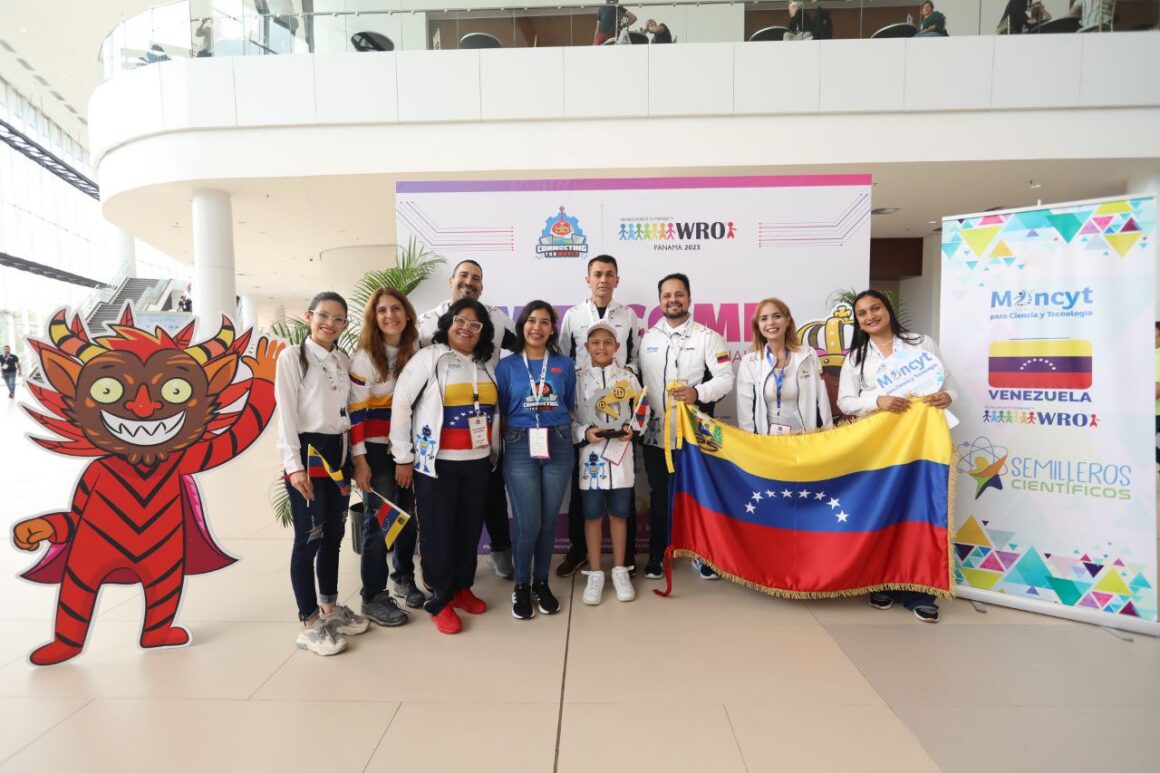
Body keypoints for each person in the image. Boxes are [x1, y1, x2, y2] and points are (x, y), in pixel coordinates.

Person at [837, 289, 956, 624]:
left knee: (919, 511)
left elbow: (950, 385)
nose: (870, 316)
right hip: (879, 444)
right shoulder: (857, 357)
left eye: (875, 308)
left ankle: (920, 591)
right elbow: (846, 401)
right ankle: (882, 581)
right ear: (857, 321)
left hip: (921, 443)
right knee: (882, 510)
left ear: (887, 309)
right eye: (862, 313)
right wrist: (879, 401)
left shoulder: (922, 343)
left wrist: (947, 395)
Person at [392, 299, 500, 634]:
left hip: (477, 463)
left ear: (483, 332)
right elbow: (401, 405)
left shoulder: (484, 365)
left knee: (468, 529)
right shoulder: (429, 358)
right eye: (460, 320)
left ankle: (461, 588)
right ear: (449, 324)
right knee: (438, 532)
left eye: (475, 324)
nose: (466, 327)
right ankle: (439, 598)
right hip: (436, 465)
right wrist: (404, 457)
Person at [276, 291, 369, 656]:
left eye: (339, 319)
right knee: (309, 538)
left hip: (339, 452)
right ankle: (309, 622)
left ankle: (330, 608)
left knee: (333, 535)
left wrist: (357, 457)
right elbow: (285, 417)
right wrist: (294, 467)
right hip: (309, 453)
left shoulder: (341, 358)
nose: (330, 324)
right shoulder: (292, 358)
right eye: (324, 316)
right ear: (309, 316)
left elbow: (349, 413)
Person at [418, 260, 516, 580]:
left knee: (490, 495)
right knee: (442, 511)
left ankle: (499, 550)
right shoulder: (427, 322)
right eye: (463, 275)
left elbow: (530, 345)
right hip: (440, 433)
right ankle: (436, 579)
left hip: (484, 427)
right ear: (451, 281)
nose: (469, 281)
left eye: (476, 278)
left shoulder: (498, 319)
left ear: (482, 287)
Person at [639, 273, 734, 580]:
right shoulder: (648, 338)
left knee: (697, 494)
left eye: (679, 294)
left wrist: (698, 393)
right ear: (660, 301)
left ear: (689, 299)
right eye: (667, 295)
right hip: (655, 434)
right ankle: (658, 553)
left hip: (694, 434)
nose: (673, 300)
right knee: (659, 494)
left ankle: (702, 554)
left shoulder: (709, 337)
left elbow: (725, 379)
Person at [556, 255, 642, 578]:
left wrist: (620, 385)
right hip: (585, 410)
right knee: (584, 493)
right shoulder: (574, 316)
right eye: (597, 274)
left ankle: (625, 560)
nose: (603, 279)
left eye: (609, 274)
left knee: (623, 491)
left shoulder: (629, 316)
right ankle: (581, 553)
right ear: (587, 279)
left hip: (618, 411)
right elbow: (564, 358)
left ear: (617, 279)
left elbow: (634, 358)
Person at [496, 301, 576, 620]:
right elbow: (501, 409)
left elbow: (568, 402)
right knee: (528, 522)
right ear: (522, 326)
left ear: (552, 329)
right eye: (531, 320)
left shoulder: (564, 365)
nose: (537, 327)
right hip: (519, 443)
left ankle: (541, 582)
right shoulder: (506, 366)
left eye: (545, 322)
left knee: (547, 520)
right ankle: (521, 585)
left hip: (557, 441)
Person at [349, 288, 422, 627]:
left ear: (407, 314)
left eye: (396, 309)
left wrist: (407, 453)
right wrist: (360, 459)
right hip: (376, 451)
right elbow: (355, 414)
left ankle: (403, 578)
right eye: (382, 311)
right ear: (373, 318)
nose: (390, 315)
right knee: (380, 526)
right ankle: (373, 596)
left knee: (407, 517)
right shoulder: (365, 357)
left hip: (407, 448)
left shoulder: (416, 351)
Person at [573, 321, 641, 605]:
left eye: (607, 342)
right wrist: (583, 433)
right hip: (592, 457)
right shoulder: (577, 379)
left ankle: (619, 569)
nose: (601, 347)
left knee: (619, 515)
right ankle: (596, 573)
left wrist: (633, 428)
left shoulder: (627, 378)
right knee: (591, 516)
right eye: (595, 342)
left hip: (620, 458)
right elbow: (569, 415)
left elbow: (642, 409)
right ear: (587, 347)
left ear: (616, 347)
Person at [736, 298, 833, 435]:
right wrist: (750, 441)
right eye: (764, 318)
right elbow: (745, 409)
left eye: (777, 316)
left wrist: (828, 433)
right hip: (767, 440)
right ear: (758, 325)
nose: (770, 322)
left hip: (803, 438)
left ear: (787, 321)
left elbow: (822, 398)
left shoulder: (808, 355)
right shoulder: (749, 362)